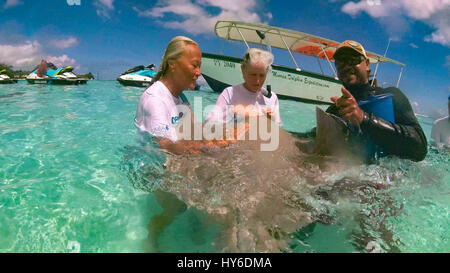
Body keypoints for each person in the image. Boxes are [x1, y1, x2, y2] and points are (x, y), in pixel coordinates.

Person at [134, 36, 206, 252]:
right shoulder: (155, 99)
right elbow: (165, 144)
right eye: (194, 65)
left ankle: (195, 214)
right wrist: (205, 149)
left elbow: (196, 130)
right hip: (150, 168)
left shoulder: (180, 97)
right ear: (173, 64)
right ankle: (154, 228)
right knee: (177, 208)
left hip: (173, 159)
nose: (199, 72)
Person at [324, 40, 427, 161]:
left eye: (352, 60)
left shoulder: (392, 96)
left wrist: (363, 118)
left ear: (367, 64)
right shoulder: (335, 111)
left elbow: (420, 149)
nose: (346, 66)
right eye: (340, 63)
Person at [205, 48, 283, 126]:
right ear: (243, 70)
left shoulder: (272, 98)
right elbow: (209, 124)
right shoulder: (229, 94)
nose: (257, 81)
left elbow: (278, 131)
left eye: (262, 75)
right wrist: (232, 111)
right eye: (253, 75)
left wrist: (272, 121)